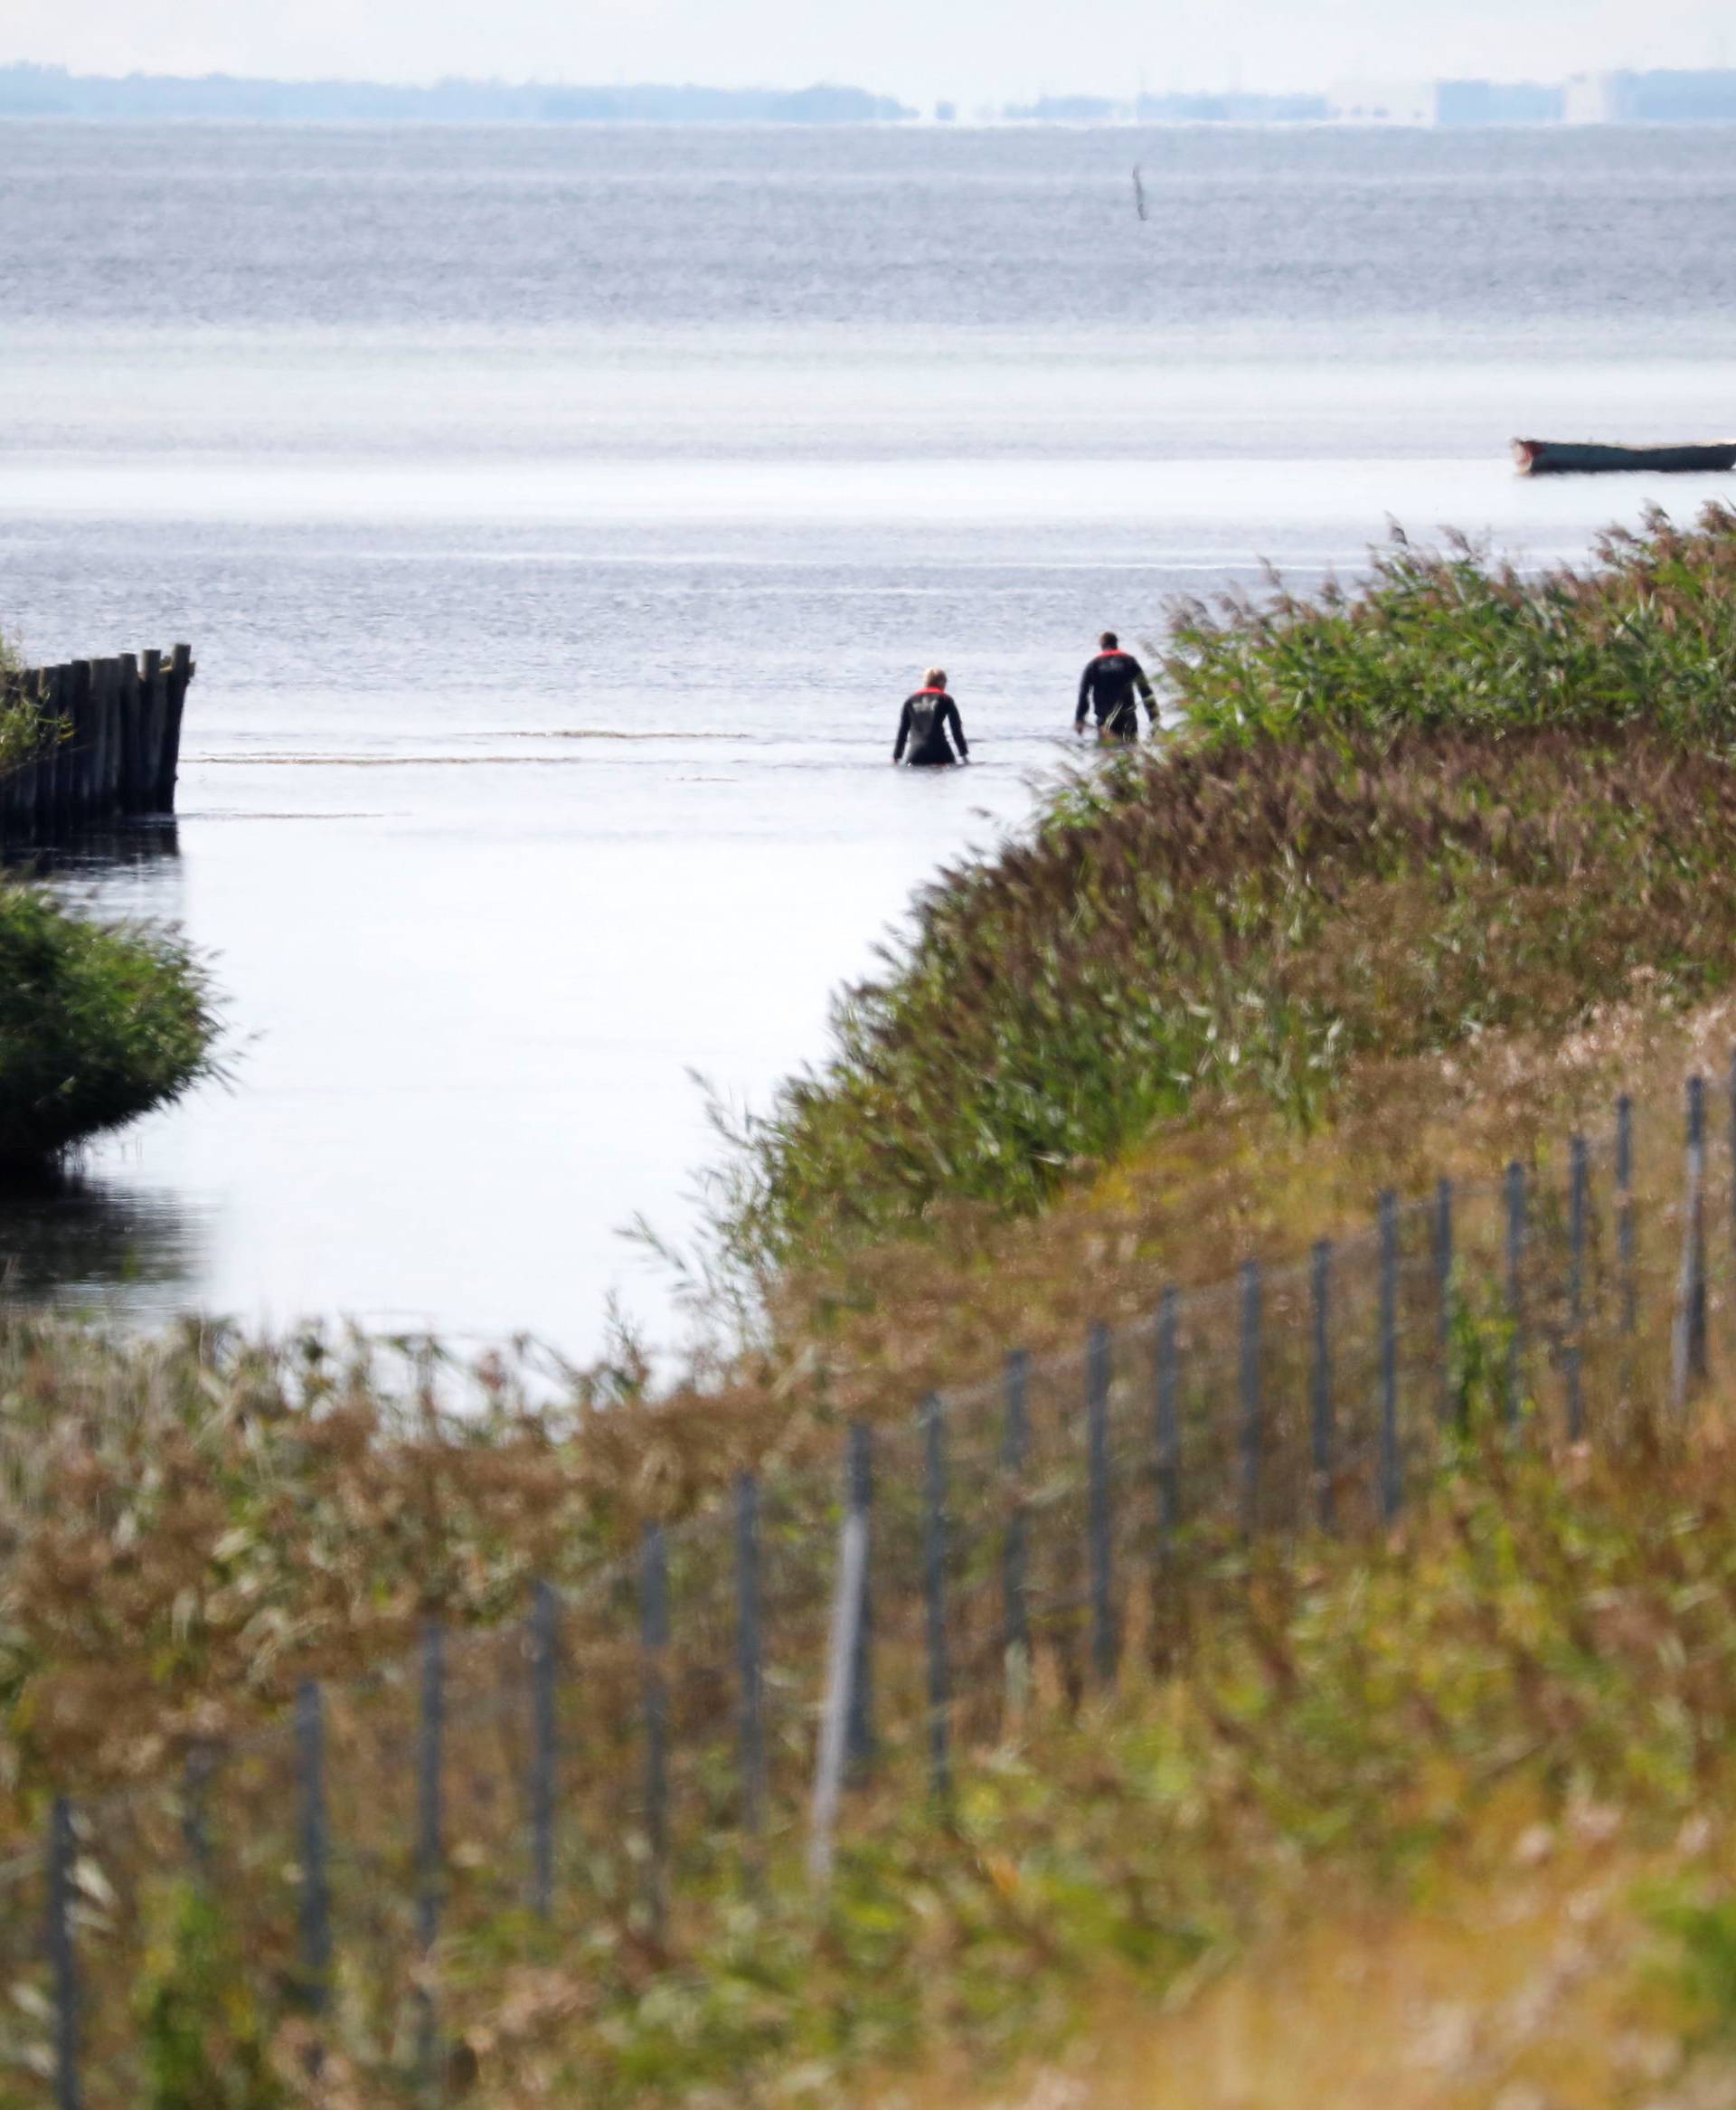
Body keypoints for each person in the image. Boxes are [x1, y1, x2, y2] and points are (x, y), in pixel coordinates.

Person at [1075, 631, 1156, 741]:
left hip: (1105, 722)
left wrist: (1080, 719)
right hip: (1128, 719)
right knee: (1130, 752)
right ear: (1116, 643)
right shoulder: (1129, 662)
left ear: (1102, 646)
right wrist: (1154, 716)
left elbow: (1083, 694)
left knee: (1107, 754)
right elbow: (1145, 690)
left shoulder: (1093, 665)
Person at [893, 667, 969, 767]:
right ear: (941, 682)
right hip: (941, 752)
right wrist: (964, 755)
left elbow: (902, 731)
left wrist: (896, 757)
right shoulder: (945, 699)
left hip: (915, 754)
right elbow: (956, 729)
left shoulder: (910, 700)